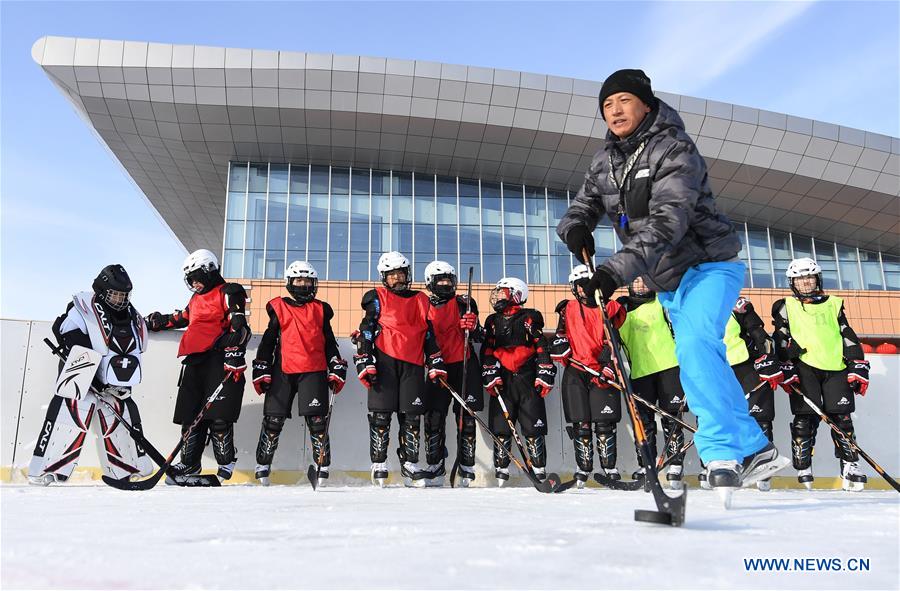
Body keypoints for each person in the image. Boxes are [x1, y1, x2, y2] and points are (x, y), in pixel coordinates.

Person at [556, 68, 787, 497]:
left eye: (623, 100)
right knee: (697, 354)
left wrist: (611, 273)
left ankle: (720, 453)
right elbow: (583, 204)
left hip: (709, 266)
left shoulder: (675, 149)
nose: (614, 110)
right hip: (668, 281)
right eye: (607, 105)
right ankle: (756, 448)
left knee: (697, 345)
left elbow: (668, 222)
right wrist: (574, 228)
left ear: (646, 104)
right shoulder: (605, 161)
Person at [28, 264, 153, 485]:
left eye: (124, 295)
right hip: (81, 374)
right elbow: (67, 331)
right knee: (70, 416)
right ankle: (48, 470)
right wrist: (90, 366)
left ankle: (125, 470)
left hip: (114, 381)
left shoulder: (133, 315)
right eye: (116, 294)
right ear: (103, 290)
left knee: (117, 419)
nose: (121, 299)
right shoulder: (83, 305)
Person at [146, 249, 251, 483]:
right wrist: (155, 322)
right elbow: (181, 318)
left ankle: (226, 460)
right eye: (190, 279)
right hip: (194, 361)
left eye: (196, 276)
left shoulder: (228, 291)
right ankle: (189, 464)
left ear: (209, 270)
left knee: (218, 416)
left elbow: (240, 326)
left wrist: (234, 353)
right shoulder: (195, 299)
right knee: (190, 415)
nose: (194, 283)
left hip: (218, 359)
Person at [772, 257, 869, 491]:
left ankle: (850, 467)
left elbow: (847, 334)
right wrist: (785, 357)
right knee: (805, 419)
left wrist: (857, 364)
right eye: (799, 278)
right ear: (792, 282)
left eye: (809, 277)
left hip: (835, 367)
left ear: (817, 279)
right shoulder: (785, 305)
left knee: (843, 419)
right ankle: (804, 468)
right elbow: (779, 336)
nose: (805, 282)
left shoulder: (834, 304)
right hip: (804, 368)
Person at [354, 251, 447, 487]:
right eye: (391, 275)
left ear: (408, 274)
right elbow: (367, 326)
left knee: (412, 416)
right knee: (381, 415)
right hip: (384, 361)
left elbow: (428, 332)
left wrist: (435, 360)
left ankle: (410, 465)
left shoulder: (421, 299)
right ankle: (379, 463)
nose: (397, 278)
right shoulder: (376, 297)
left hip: (413, 364)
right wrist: (365, 356)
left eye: (400, 273)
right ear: (384, 277)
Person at [251, 261, 347, 486]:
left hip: (313, 370)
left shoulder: (321, 309)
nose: (303, 285)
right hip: (283, 370)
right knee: (273, 420)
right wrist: (262, 365)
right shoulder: (278, 307)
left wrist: (335, 363)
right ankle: (263, 465)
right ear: (290, 283)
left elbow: (329, 342)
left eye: (307, 281)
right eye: (298, 281)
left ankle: (322, 466)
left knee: (317, 422)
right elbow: (268, 340)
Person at [551, 265, 625, 488]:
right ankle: (582, 469)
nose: (584, 290)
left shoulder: (609, 307)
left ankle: (609, 469)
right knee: (580, 423)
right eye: (579, 286)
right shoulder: (568, 309)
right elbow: (560, 337)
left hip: (601, 371)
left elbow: (615, 340)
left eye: (587, 285)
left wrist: (609, 364)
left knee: (604, 423)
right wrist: (561, 348)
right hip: (577, 371)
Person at [615, 277, 688, 490]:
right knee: (643, 421)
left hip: (669, 368)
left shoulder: (661, 302)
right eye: (637, 282)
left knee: (672, 417)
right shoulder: (622, 308)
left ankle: (675, 462)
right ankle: (646, 463)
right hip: (640, 373)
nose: (642, 286)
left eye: (645, 282)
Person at [482, 277, 556, 486]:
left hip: (527, 379)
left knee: (533, 427)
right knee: (502, 428)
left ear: (516, 295)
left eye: (502, 292)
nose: (497, 296)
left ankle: (539, 469)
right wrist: (489, 372)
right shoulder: (492, 321)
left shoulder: (529, 318)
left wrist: (544, 371)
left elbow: (541, 345)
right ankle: (501, 470)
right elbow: (488, 349)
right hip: (503, 380)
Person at [421, 261, 483, 487]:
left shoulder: (465, 303)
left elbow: (480, 336)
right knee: (434, 418)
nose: (446, 285)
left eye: (449, 280)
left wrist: (473, 326)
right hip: (437, 367)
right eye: (441, 281)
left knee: (466, 419)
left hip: (464, 365)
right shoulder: (423, 304)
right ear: (430, 283)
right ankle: (435, 466)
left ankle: (466, 468)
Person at [718, 296, 780, 492]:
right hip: (714, 368)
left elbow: (759, 334)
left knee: (758, 415)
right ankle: (721, 462)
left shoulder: (736, 304)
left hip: (743, 367)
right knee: (719, 417)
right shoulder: (691, 305)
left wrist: (766, 358)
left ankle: (762, 465)